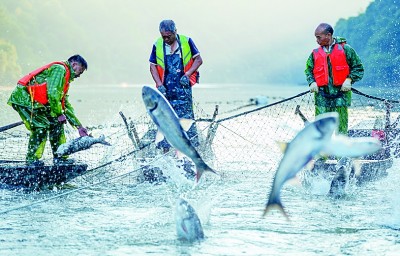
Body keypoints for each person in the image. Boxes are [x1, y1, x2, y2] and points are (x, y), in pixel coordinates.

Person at [7, 54, 89, 166]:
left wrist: (79, 126)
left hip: (37, 104)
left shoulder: (66, 79)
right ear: (74, 64)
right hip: (24, 98)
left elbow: (64, 104)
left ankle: (60, 158)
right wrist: (59, 113)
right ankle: (32, 160)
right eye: (81, 70)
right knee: (41, 126)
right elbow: (52, 94)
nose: (80, 74)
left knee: (57, 124)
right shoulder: (59, 69)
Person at [149, 19, 203, 152]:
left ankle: (189, 155)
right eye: (164, 36)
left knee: (186, 121)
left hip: (183, 89)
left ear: (175, 32)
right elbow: (152, 66)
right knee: (165, 120)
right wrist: (159, 84)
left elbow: (198, 60)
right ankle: (166, 154)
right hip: (166, 90)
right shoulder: (158, 45)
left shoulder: (186, 41)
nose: (166, 39)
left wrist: (187, 74)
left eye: (169, 36)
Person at [305, 23, 364, 135]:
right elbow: (308, 70)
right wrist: (312, 82)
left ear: (328, 35)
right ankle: (323, 153)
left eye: (319, 37)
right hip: (322, 97)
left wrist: (349, 80)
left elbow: (358, 68)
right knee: (321, 131)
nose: (316, 40)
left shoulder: (346, 49)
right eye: (316, 37)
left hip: (341, 97)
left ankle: (340, 152)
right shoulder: (315, 53)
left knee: (341, 129)